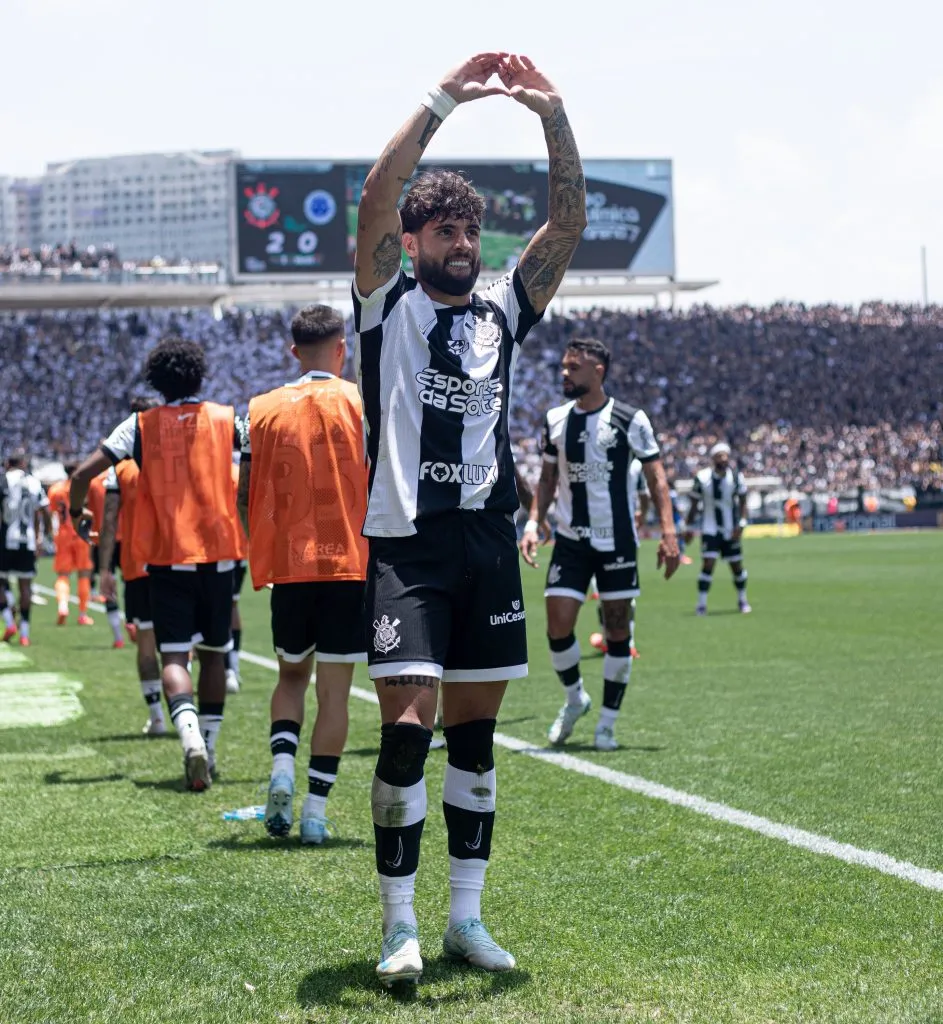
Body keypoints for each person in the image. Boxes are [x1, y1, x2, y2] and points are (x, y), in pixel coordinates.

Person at [353, 52, 586, 985]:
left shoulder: (505, 304)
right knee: (409, 727)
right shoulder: (383, 305)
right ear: (411, 242)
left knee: (477, 739)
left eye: (468, 230)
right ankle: (396, 925)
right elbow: (378, 188)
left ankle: (465, 920)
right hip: (407, 545)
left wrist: (551, 114)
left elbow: (567, 219)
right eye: (442, 230)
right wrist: (446, 97)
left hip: (489, 545)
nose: (460, 242)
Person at [70, 339, 243, 791]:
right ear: (200, 375)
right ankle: (210, 744)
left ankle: (189, 738)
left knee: (173, 655)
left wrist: (75, 513)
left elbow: (81, 475)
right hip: (218, 554)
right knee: (214, 657)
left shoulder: (140, 425)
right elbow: (258, 462)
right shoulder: (227, 419)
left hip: (167, 557)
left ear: (155, 381)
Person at [238, 304, 368, 846]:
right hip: (349, 566)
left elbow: (246, 494)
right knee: (335, 694)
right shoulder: (363, 401)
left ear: (294, 351)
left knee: (291, 677)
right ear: (342, 349)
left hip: (291, 566)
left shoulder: (261, 408)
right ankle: (314, 812)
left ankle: (282, 771)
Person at [520, 340, 680, 751]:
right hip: (572, 541)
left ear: (599, 371)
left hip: (617, 542)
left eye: (574, 367)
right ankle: (576, 699)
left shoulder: (630, 418)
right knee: (557, 624)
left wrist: (669, 533)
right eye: (564, 366)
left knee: (616, 628)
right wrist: (534, 522)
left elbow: (656, 479)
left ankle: (607, 723)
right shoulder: (556, 420)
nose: (565, 373)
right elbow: (548, 480)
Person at [98, 426, 168, 736]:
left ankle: (156, 716)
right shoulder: (172, 459)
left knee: (146, 644)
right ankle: (188, 715)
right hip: (177, 562)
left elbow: (110, 519)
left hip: (138, 565)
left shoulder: (121, 470)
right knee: (181, 645)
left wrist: (104, 568)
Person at [587, 454, 650, 657]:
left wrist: (643, 513)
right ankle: (615, 640)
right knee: (615, 596)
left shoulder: (597, 458)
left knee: (617, 596)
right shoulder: (634, 465)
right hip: (616, 537)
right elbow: (645, 497)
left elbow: (644, 495)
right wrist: (643, 513)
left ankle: (624, 642)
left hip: (604, 536)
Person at [684, 442, 751, 615]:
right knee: (708, 565)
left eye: (726, 455)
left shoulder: (736, 477)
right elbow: (694, 504)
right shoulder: (702, 478)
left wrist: (742, 523)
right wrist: (689, 527)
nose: (724, 459)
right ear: (713, 459)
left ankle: (742, 600)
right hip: (709, 529)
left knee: (736, 565)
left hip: (731, 529)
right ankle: (701, 604)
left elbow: (743, 502)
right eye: (720, 456)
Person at [0, 451, 51, 646]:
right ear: (23, 463)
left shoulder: (3, 480)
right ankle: (24, 634)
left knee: (1, 583)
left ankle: (9, 620)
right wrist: (45, 536)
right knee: (26, 587)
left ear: (7, 464)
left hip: (6, 539)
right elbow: (45, 511)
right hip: (27, 541)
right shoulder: (34, 482)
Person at [226, 458, 248, 694]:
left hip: (216, 549)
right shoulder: (237, 470)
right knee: (231, 605)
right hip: (240, 548)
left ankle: (228, 668)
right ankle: (231, 668)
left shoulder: (216, 469)